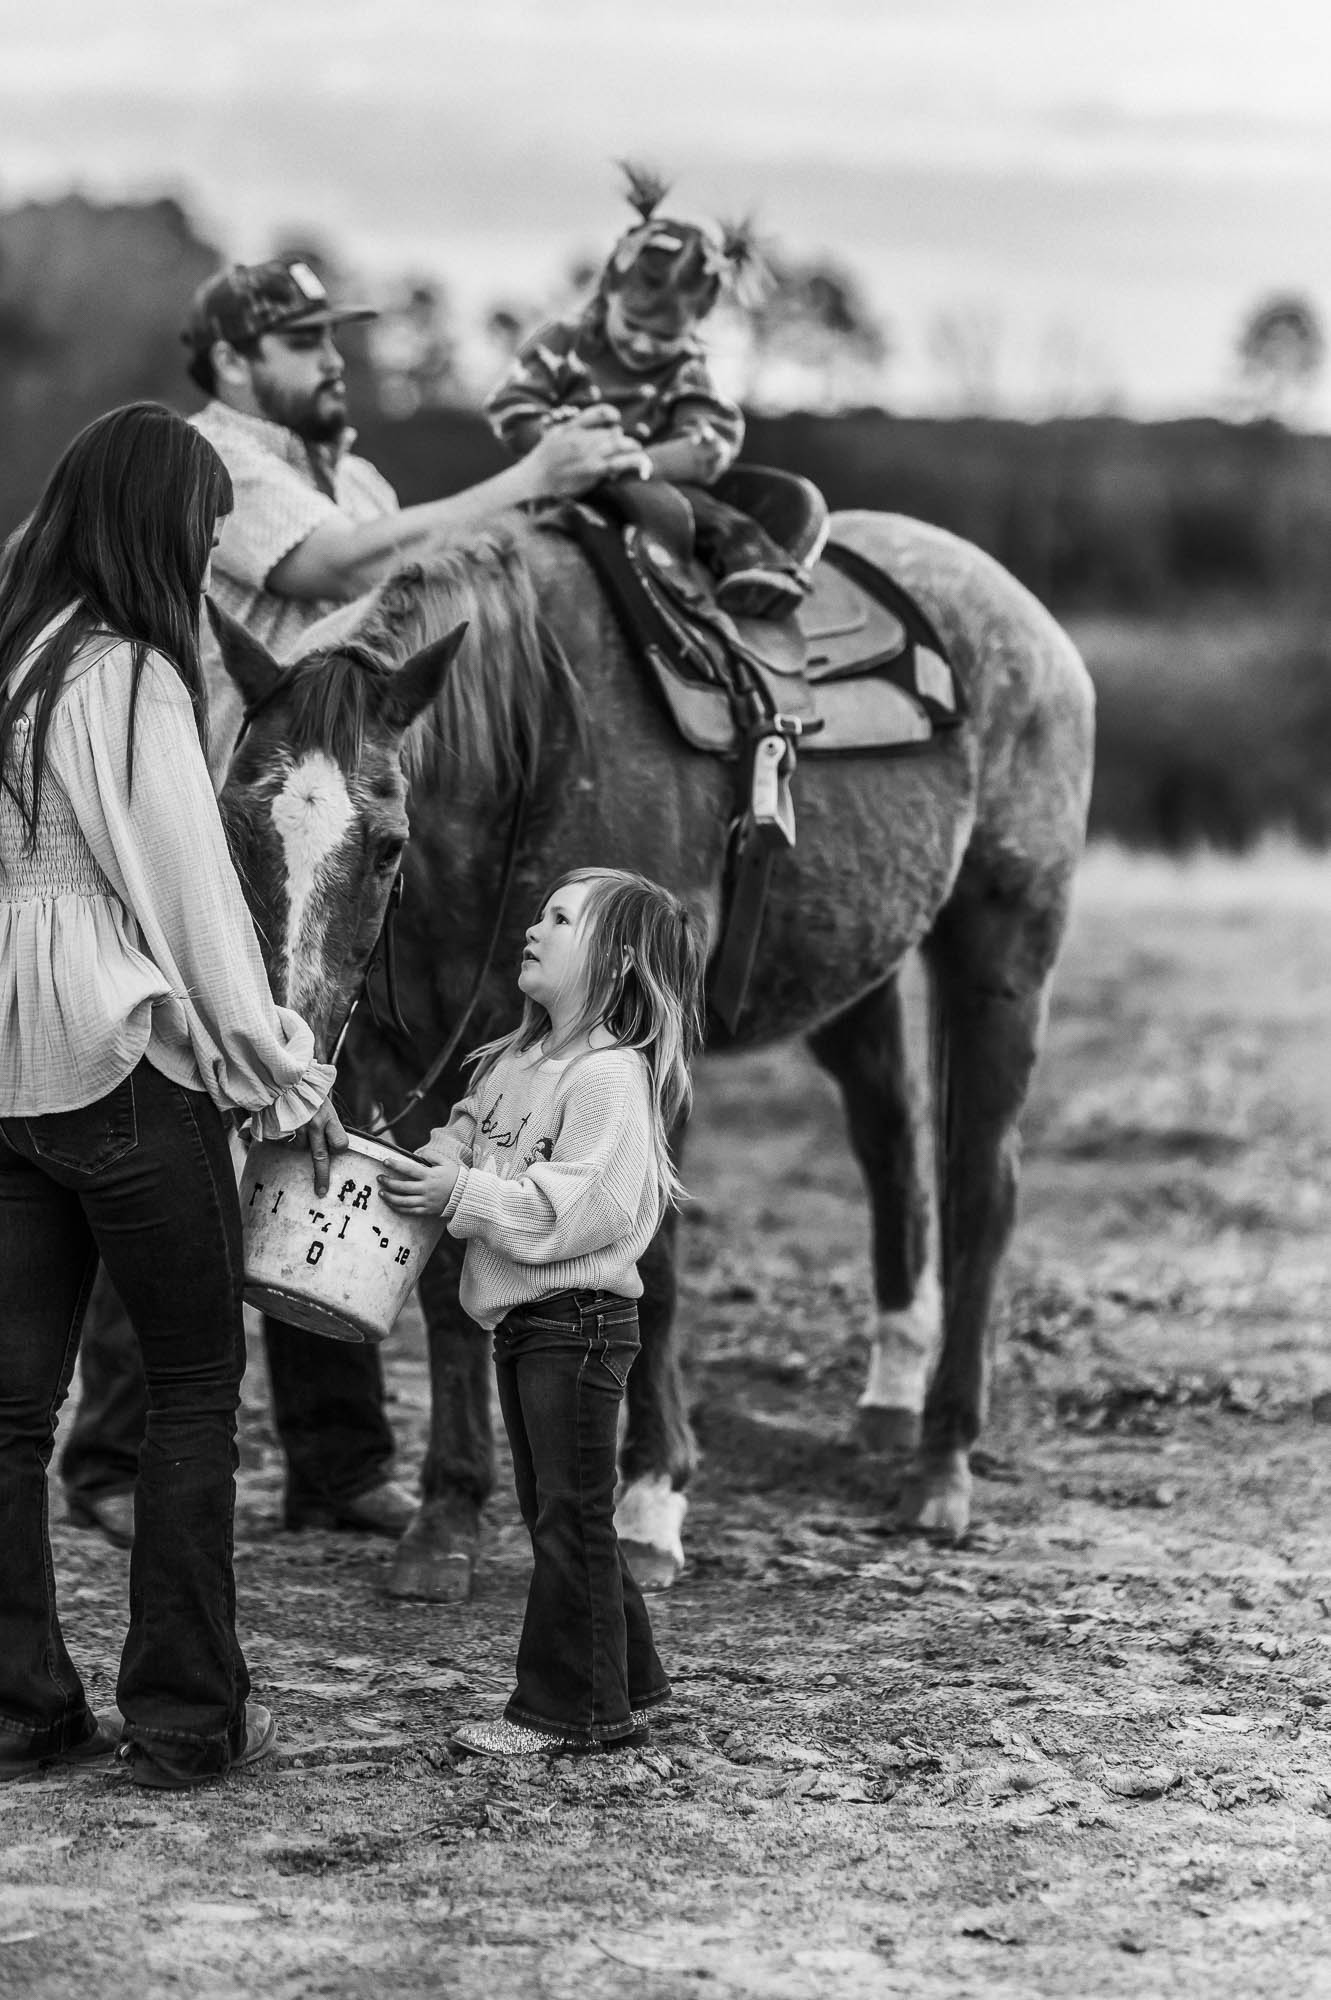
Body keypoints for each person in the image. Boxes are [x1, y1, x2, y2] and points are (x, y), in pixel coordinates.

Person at [60, 255, 650, 1551]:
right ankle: (106, 1452)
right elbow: (331, 573)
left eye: (330, 334)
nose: (328, 356)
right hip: (231, 833)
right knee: (183, 1131)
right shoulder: (219, 469)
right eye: (296, 338)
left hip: (330, 844)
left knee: (327, 1118)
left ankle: (335, 1462)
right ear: (226, 360)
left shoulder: (360, 472)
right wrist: (523, 482)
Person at [0, 402, 347, 1786]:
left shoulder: (12, 660)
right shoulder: (128, 675)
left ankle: (22, 1707)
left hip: (9, 1080)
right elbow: (189, 896)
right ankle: (187, 1719)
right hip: (123, 1070)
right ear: (155, 521)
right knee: (197, 1386)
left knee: (12, 1415)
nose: (213, 550)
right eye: (207, 525)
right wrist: (273, 1063)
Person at [380, 868, 706, 1756]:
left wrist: (467, 1196)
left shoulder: (608, 1079)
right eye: (538, 911)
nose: (535, 925)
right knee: (561, 1512)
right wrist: (420, 1165)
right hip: (523, 1323)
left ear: (616, 960)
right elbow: (460, 1136)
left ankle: (569, 1711)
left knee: (566, 1517)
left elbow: (581, 1209)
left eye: (561, 918)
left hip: (581, 1318)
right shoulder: (507, 1062)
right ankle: (629, 1680)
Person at [483, 163, 812, 620]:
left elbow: (710, 442)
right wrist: (558, 443)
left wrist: (641, 461)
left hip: (651, 490)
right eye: (633, 326)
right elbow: (511, 405)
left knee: (701, 514)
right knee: (491, 533)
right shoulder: (562, 344)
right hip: (556, 484)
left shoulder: (684, 372)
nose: (643, 344)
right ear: (608, 291)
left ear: (698, 323)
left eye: (664, 336)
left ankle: (755, 566)